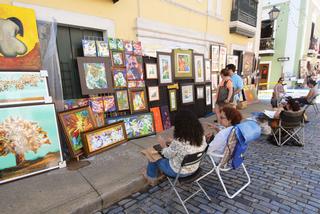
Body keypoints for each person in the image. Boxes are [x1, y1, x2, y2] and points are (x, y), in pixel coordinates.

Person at [143, 110, 207, 186]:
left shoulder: (178, 142)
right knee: (165, 155)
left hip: (177, 172)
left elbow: (167, 155)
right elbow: (188, 146)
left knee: (152, 156)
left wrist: (163, 144)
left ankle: (151, 178)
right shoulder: (202, 137)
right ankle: (156, 174)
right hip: (194, 169)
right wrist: (173, 142)